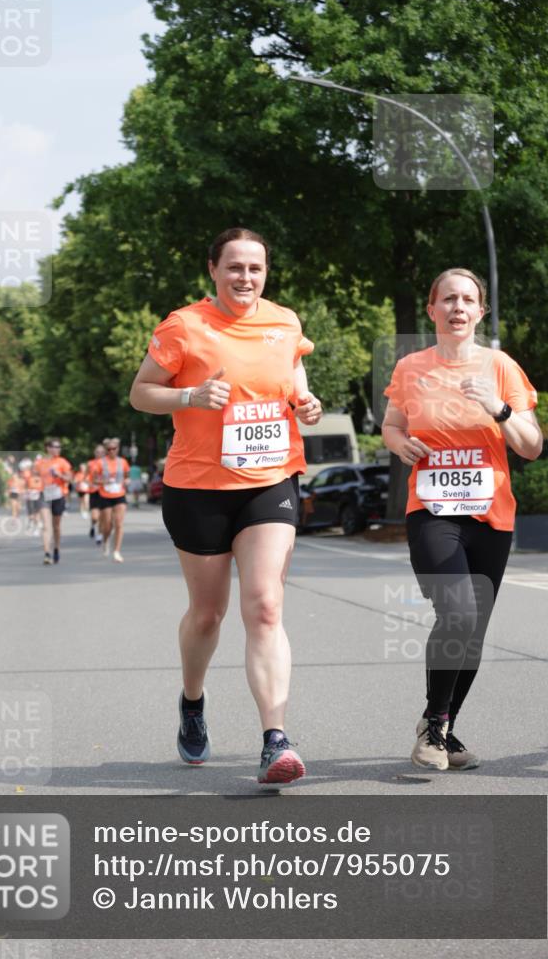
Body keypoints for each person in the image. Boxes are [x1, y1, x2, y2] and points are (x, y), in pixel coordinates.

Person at [130, 227, 322, 785]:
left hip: (269, 479)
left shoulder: (284, 322)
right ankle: (192, 700)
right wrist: (188, 395)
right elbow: (141, 392)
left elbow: (293, 373)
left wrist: (305, 401)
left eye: (255, 268)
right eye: (234, 267)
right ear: (213, 269)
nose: (245, 277)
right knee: (207, 614)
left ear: (266, 273)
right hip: (199, 487)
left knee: (264, 606)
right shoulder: (183, 325)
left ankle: (275, 740)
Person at [382, 268, 542, 771]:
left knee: (472, 633)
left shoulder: (501, 367)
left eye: (468, 300)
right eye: (448, 299)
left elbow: (532, 446)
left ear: (480, 311)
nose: (458, 307)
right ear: (432, 309)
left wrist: (498, 408)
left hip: (491, 516)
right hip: (432, 512)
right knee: (458, 614)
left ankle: (441, 727)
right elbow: (392, 425)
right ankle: (434, 728)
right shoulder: (411, 367)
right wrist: (400, 445)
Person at [33, 439, 72, 565]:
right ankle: (47, 553)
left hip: (58, 495)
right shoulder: (40, 463)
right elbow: (34, 477)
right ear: (48, 448)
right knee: (46, 525)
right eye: (55, 447)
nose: (57, 449)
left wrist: (60, 475)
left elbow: (69, 478)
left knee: (56, 526)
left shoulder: (62, 462)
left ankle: (56, 548)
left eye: (59, 447)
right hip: (44, 494)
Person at [92, 437, 130, 562]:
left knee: (119, 523)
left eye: (114, 448)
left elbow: (127, 476)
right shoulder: (100, 463)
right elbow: (94, 479)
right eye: (109, 449)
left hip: (119, 495)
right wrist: (104, 481)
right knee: (107, 525)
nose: (112, 451)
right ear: (106, 450)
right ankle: (105, 540)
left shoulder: (123, 462)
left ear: (118, 449)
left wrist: (127, 481)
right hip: (105, 496)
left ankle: (117, 551)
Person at [87, 443, 106, 543]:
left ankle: (100, 534)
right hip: (94, 491)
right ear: (94, 453)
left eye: (102, 452)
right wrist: (88, 482)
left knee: (103, 515)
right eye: (98, 452)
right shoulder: (90, 463)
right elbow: (86, 476)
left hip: (105, 492)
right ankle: (93, 525)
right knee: (95, 517)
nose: (100, 454)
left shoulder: (108, 463)